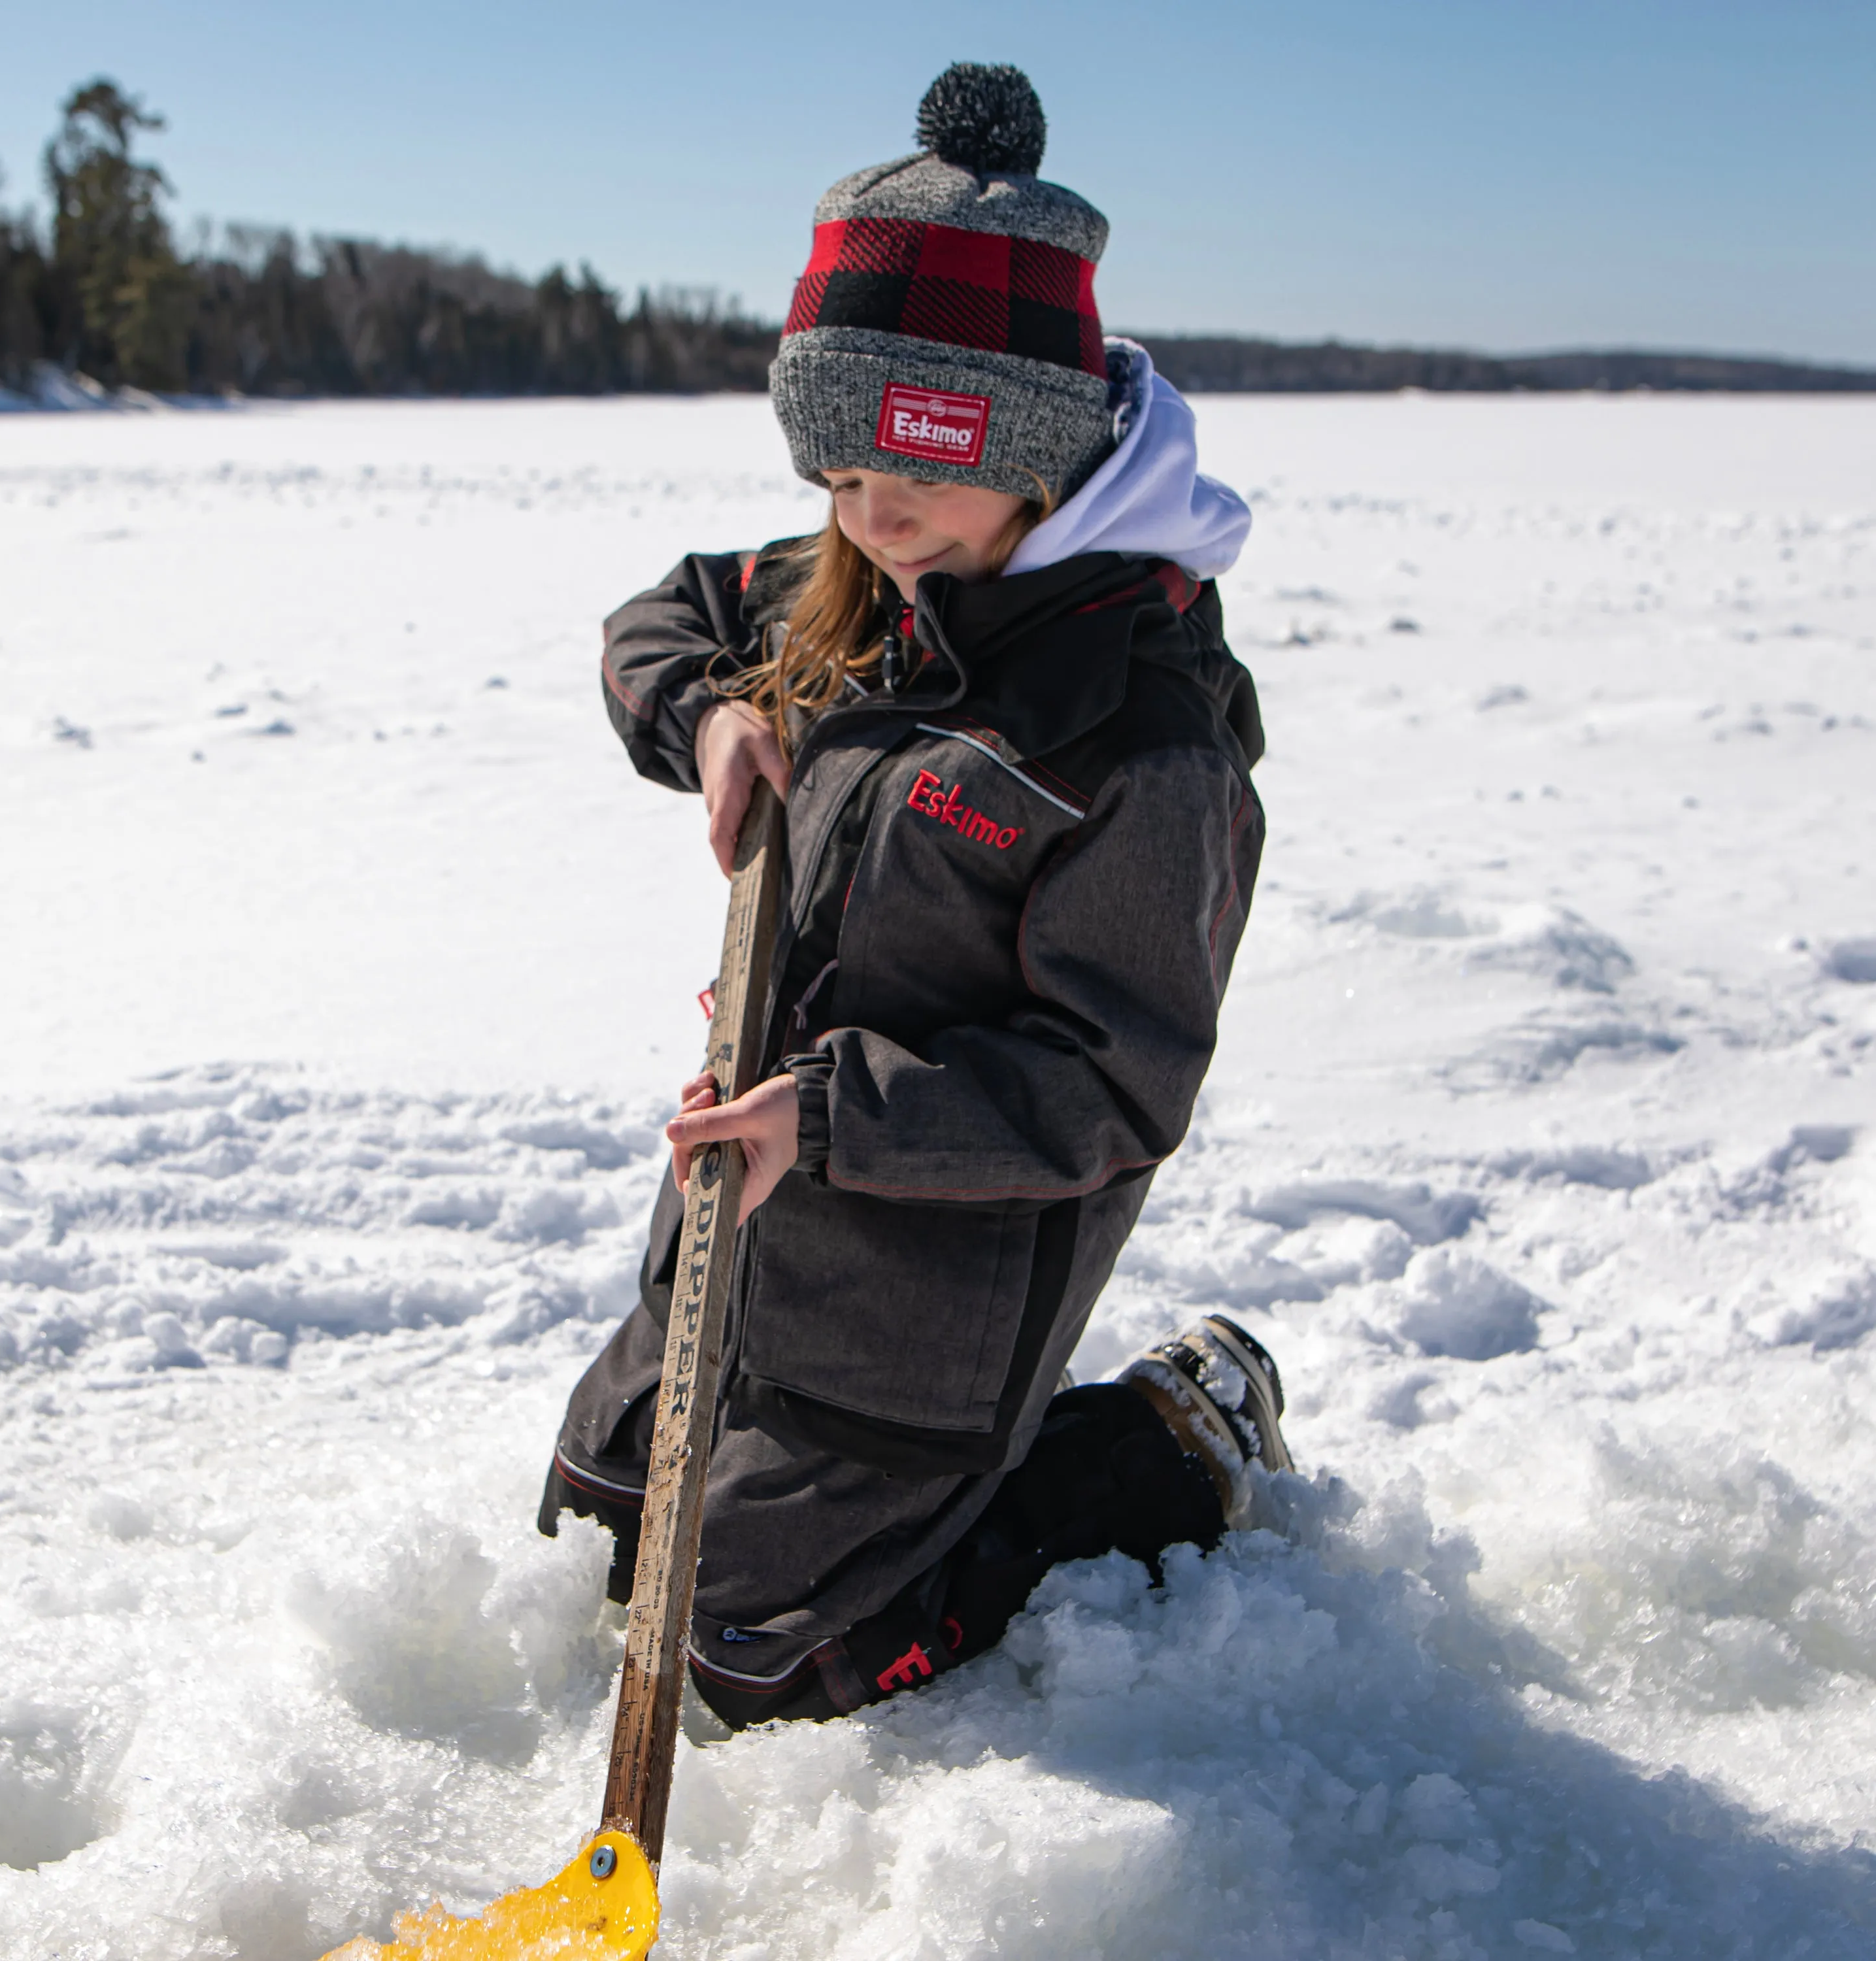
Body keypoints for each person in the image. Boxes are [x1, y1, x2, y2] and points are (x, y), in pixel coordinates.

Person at [539, 63, 1294, 1728]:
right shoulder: (876, 580)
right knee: (588, 1530)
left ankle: (1175, 1435)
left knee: (768, 1659)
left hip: (929, 1300)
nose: (868, 526)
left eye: (910, 484)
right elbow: (659, 617)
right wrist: (711, 712)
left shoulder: (1136, 741)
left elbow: (1117, 1086)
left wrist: (833, 1119)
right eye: (835, 483)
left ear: (1036, 461)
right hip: (733, 1237)